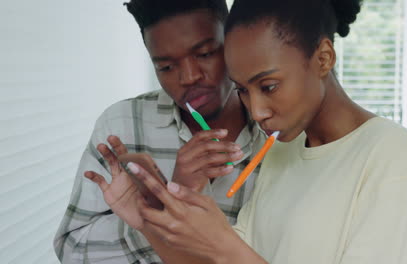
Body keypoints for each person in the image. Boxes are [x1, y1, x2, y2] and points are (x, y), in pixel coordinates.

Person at [115, 0, 407, 263]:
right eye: (243, 90)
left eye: (268, 86)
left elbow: (233, 256)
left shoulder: (387, 152)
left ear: (323, 58)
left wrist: (225, 245)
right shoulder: (282, 149)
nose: (257, 112)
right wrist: (151, 217)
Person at [53, 0, 266, 263]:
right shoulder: (122, 124)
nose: (189, 77)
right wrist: (157, 212)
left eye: (205, 54)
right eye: (166, 67)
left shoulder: (281, 134)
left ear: (233, 40)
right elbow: (72, 249)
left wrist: (166, 214)